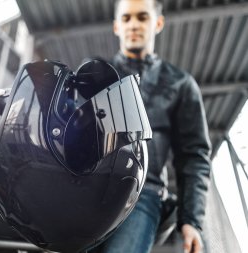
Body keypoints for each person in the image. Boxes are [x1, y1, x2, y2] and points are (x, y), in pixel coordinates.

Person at [98, 0, 212, 253]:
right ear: (116, 26)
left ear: (158, 23)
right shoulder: (95, 76)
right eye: (126, 19)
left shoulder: (180, 83)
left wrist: (191, 220)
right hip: (88, 189)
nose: (134, 24)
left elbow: (194, 156)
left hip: (141, 192)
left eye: (142, 17)